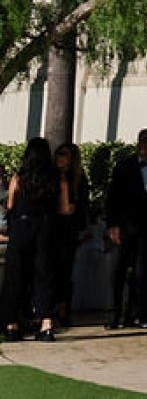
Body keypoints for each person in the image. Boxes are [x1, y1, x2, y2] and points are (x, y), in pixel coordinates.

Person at [0, 138, 70, 342]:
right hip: (46, 229)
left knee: (15, 276)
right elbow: (64, 209)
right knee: (44, 275)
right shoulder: (58, 178)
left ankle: (11, 325)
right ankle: (46, 325)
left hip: (22, 227)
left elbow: (11, 205)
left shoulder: (19, 177)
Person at [104, 130, 147, 330]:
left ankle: (140, 314)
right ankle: (113, 315)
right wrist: (113, 225)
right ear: (139, 143)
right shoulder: (124, 166)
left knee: (144, 274)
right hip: (125, 227)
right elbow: (113, 198)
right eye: (144, 141)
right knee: (118, 272)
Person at [50, 143, 89, 328]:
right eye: (58, 156)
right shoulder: (51, 176)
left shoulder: (79, 179)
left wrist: (80, 227)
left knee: (65, 272)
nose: (60, 160)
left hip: (68, 230)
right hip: (52, 228)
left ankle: (64, 309)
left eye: (64, 156)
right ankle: (49, 308)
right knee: (50, 270)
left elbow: (82, 207)